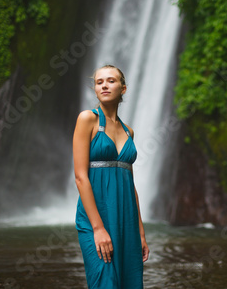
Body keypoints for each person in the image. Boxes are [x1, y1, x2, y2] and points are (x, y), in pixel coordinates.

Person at [74, 65, 149, 288]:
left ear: (123, 88)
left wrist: (141, 232)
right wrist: (98, 228)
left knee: (128, 281)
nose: (104, 85)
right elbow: (80, 177)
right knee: (104, 280)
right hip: (95, 217)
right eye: (99, 82)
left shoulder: (129, 131)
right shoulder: (87, 119)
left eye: (111, 81)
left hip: (126, 218)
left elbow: (130, 183)